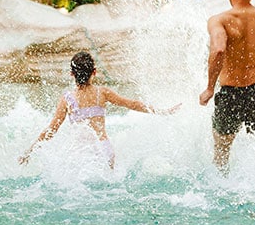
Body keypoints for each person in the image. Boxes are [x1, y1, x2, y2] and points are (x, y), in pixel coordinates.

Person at [19, 50, 181, 169]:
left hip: (80, 152)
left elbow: (51, 129)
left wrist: (30, 151)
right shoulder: (102, 93)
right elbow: (132, 104)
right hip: (104, 148)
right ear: (94, 72)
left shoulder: (67, 99)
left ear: (72, 74)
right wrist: (162, 111)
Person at [199, 0, 255, 171]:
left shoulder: (219, 20)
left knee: (221, 154)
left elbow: (218, 50)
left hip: (230, 94)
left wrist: (209, 88)